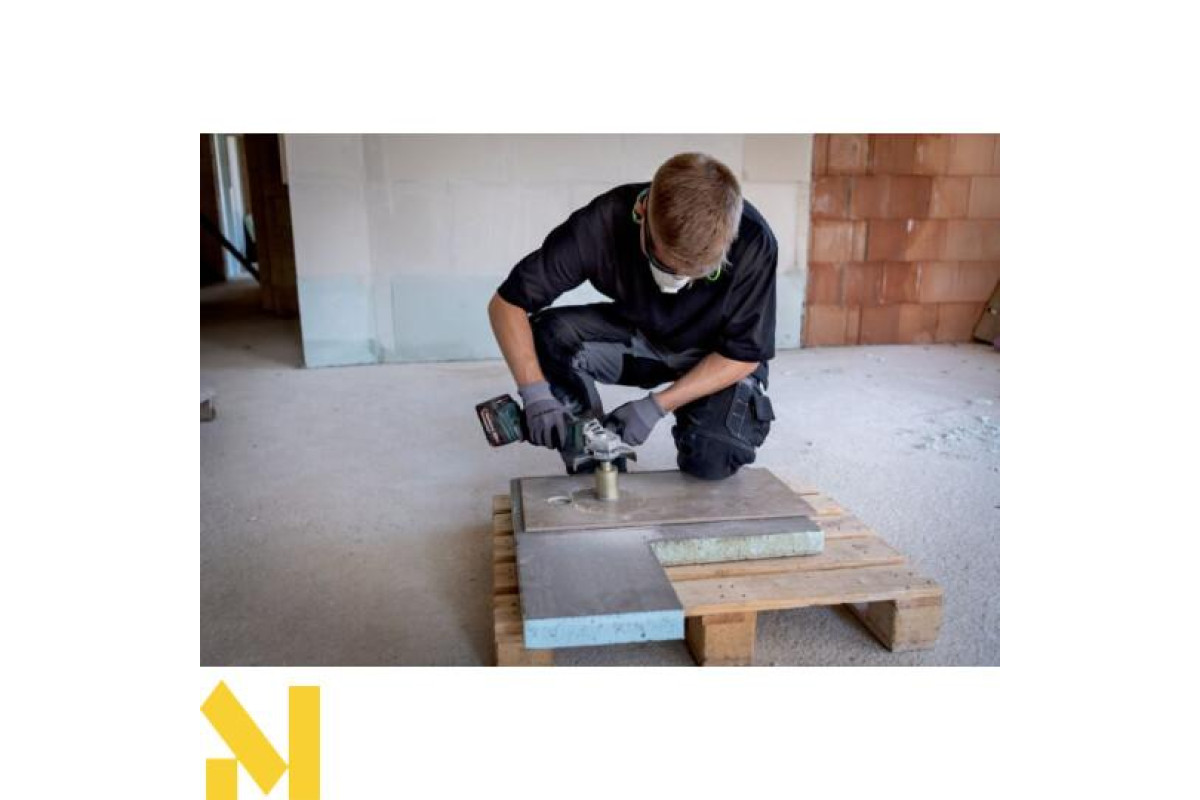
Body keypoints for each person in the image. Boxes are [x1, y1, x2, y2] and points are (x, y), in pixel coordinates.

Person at [487, 152, 777, 480]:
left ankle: (701, 414)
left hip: (714, 355)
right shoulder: (601, 223)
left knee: (714, 455)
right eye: (668, 266)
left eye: (698, 273)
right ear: (642, 212)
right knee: (547, 338)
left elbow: (744, 355)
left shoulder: (753, 240)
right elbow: (507, 304)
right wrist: (535, 392)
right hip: (641, 339)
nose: (680, 280)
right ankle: (591, 449)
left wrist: (657, 405)